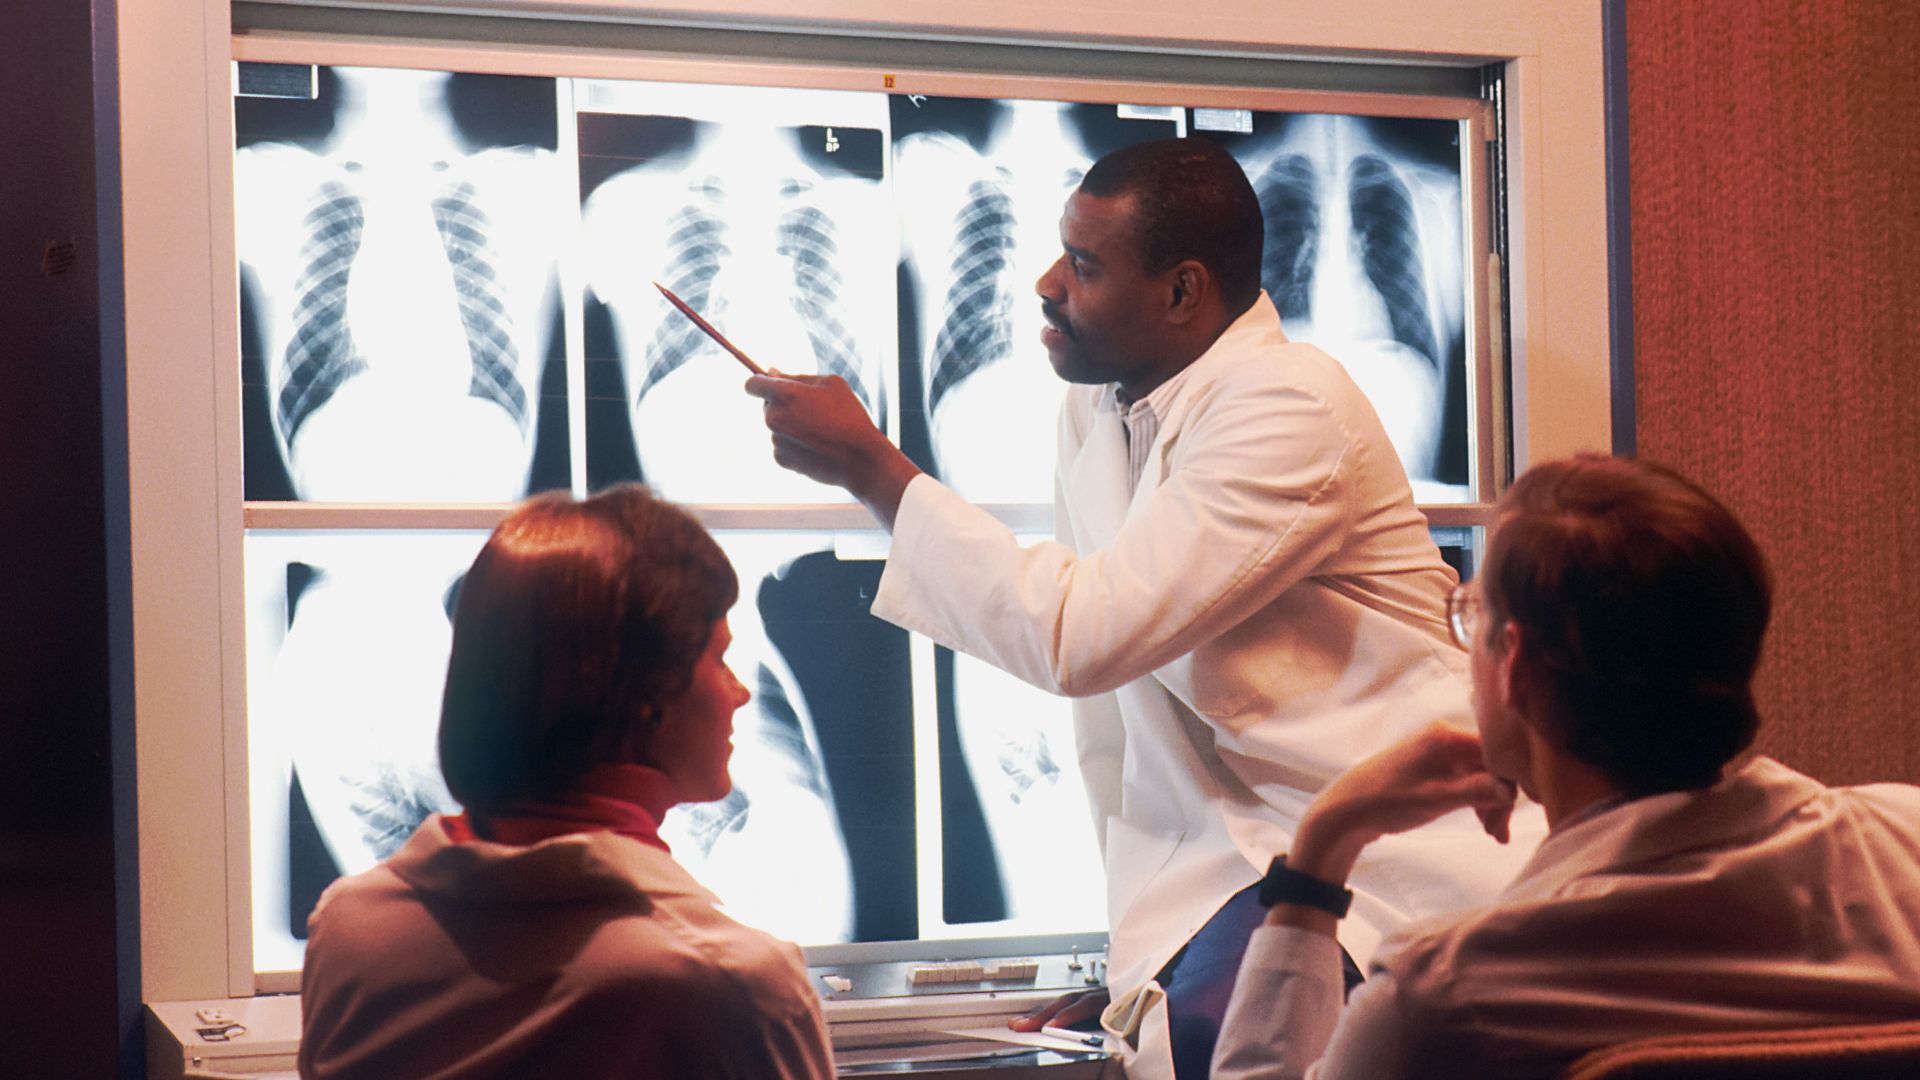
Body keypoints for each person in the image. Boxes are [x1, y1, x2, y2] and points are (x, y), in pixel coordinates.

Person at [746, 136, 1540, 1080]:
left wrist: (876, 472)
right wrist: (1143, 965)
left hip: (1389, 873)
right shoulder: (1099, 407)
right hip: (1234, 877)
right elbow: (1117, 727)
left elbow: (1085, 640)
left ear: (1182, 293)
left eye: (1083, 267)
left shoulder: (1290, 409)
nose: (1045, 284)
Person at [1211, 453, 1920, 1079]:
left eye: (1473, 616)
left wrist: (1320, 850)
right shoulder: (1904, 844)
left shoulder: (1448, 996)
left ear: (1513, 664)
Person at [298, 485, 835, 1080]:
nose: (740, 692)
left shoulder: (349, 931)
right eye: (719, 658)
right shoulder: (729, 984)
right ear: (646, 696)